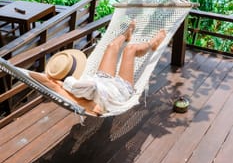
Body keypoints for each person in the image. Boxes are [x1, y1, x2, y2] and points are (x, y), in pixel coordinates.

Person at [30, 22, 166, 116]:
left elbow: (39, 78)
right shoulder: (78, 85)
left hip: (102, 81)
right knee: (130, 49)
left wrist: (56, 81)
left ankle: (126, 34)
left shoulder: (69, 84)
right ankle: (152, 44)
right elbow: (91, 95)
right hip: (120, 90)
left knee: (112, 46)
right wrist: (63, 83)